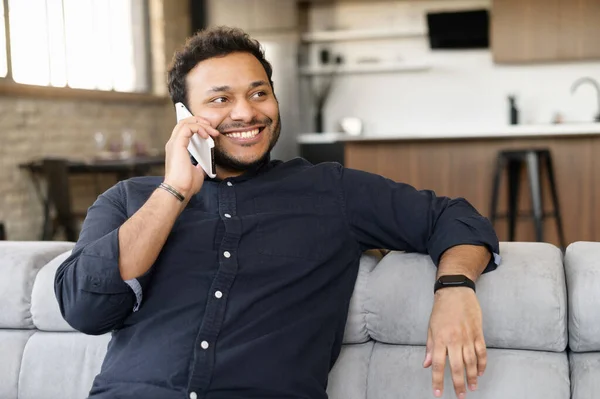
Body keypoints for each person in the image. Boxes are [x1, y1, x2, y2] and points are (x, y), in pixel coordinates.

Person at [55, 26, 500, 399]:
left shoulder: (332, 190)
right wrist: (173, 191)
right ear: (184, 116)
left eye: (258, 93)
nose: (247, 112)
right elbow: (86, 310)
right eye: (220, 100)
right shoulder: (129, 200)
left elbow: (453, 217)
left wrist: (455, 288)